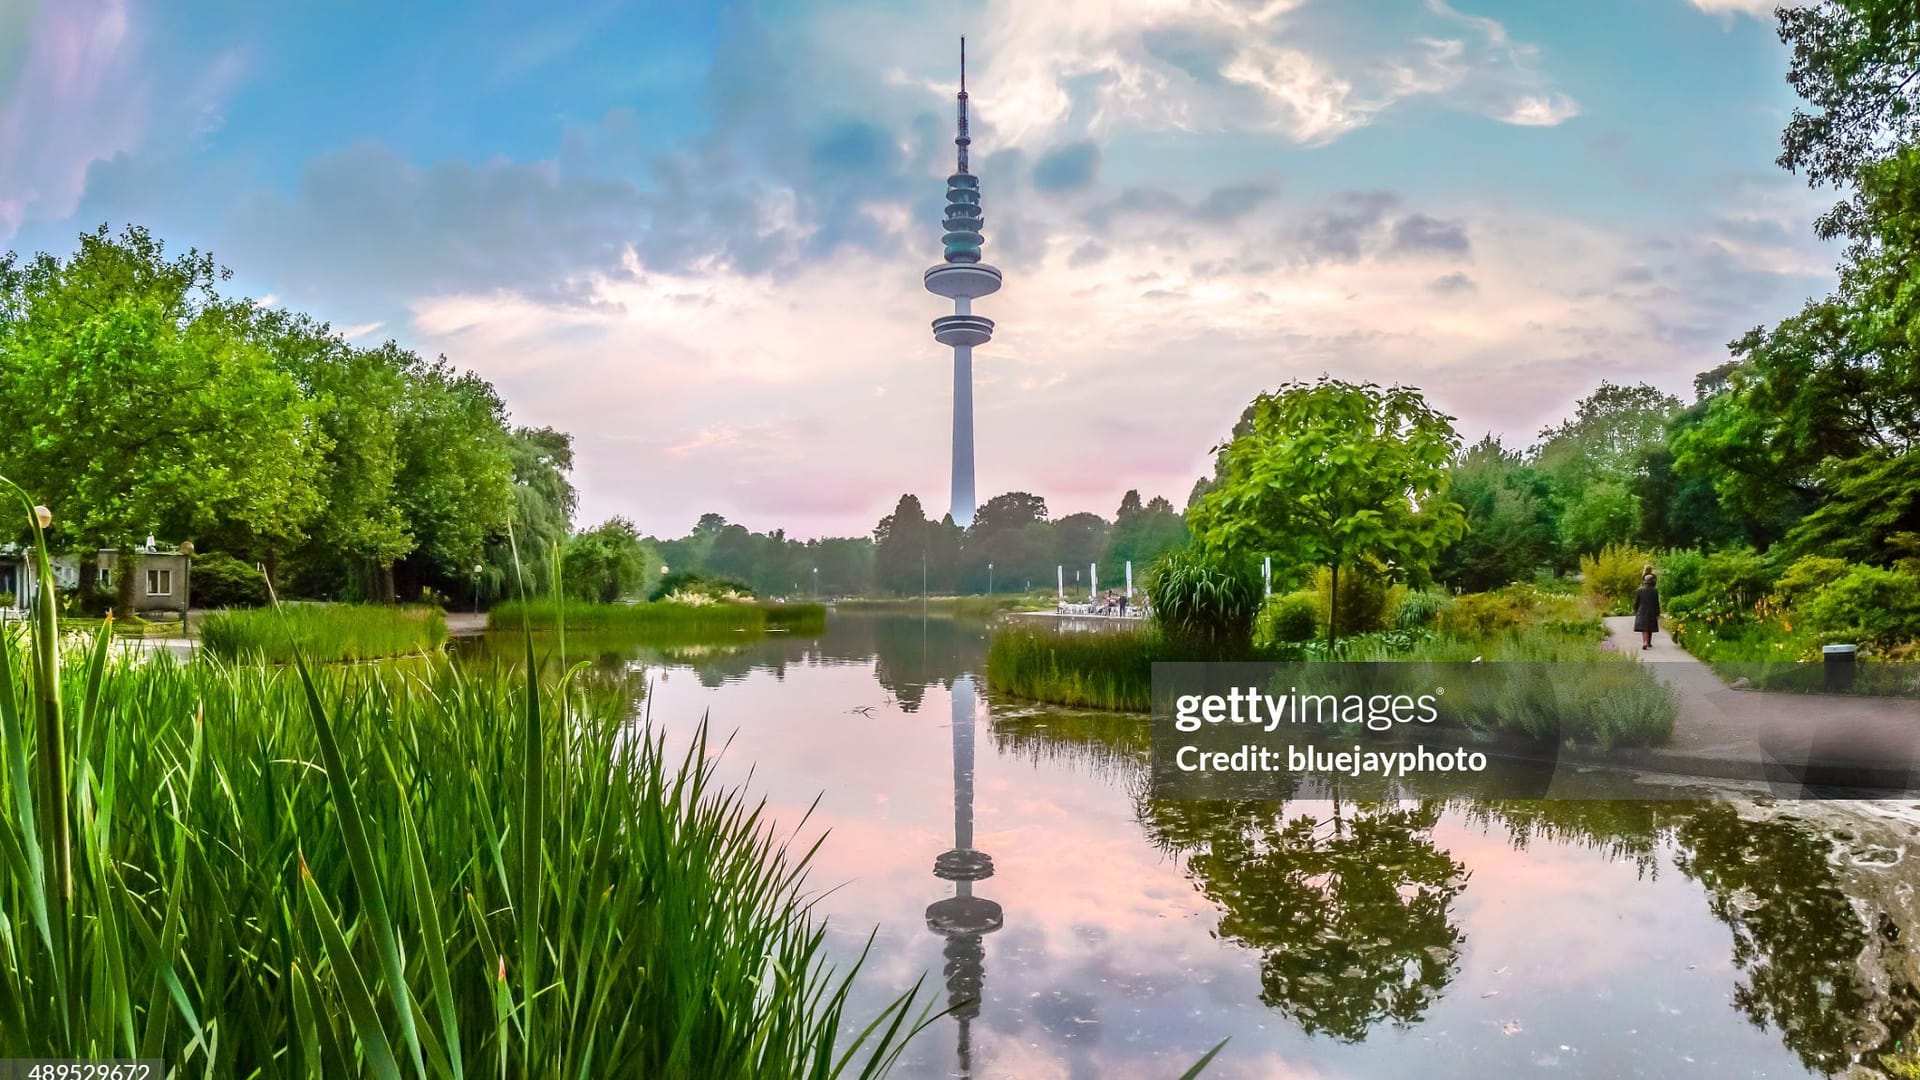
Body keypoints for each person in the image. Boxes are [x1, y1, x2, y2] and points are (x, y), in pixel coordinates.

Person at [1633, 572, 1660, 650]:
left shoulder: (1640, 590)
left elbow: (1636, 602)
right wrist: (1657, 612)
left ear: (1645, 581)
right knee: (1650, 627)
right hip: (1652, 611)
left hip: (1642, 611)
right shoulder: (1655, 591)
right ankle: (1648, 642)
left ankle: (1645, 641)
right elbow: (1656, 602)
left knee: (1644, 628)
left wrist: (1635, 610)